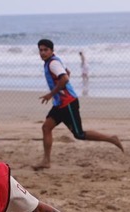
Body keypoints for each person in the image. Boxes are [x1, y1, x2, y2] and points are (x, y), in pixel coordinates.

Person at [35, 38, 123, 170]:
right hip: (60, 104)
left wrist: (51, 94)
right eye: (40, 50)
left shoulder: (53, 63)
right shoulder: (51, 62)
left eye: (45, 50)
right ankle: (46, 161)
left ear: (52, 50)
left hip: (68, 103)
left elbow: (64, 78)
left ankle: (111, 138)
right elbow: (67, 73)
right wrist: (59, 92)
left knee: (79, 134)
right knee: (46, 128)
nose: (42, 52)